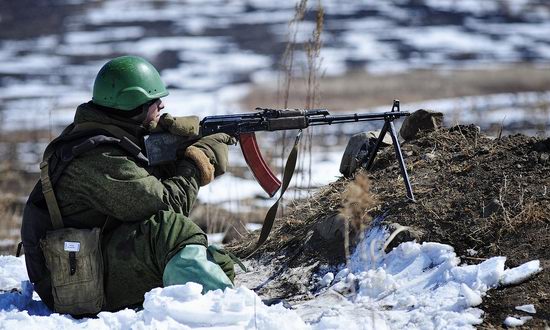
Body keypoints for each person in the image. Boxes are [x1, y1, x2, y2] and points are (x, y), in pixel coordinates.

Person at [21, 55, 236, 314]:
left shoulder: (112, 137)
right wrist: (197, 161)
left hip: (89, 263)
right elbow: (169, 205)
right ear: (134, 106)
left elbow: (144, 191)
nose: (162, 105)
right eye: (154, 101)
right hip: (75, 285)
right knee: (169, 231)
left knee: (216, 261)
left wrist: (178, 148)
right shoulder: (97, 157)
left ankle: (207, 303)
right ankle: (227, 313)